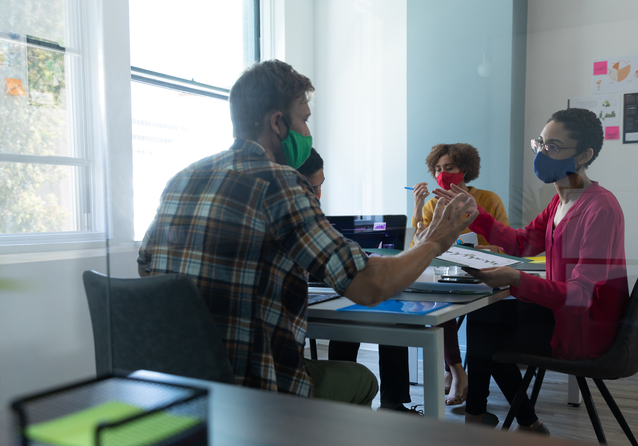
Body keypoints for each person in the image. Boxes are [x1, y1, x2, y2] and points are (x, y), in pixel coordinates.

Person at [137, 60, 479, 407]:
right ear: (277, 122)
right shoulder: (281, 182)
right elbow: (369, 285)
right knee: (361, 379)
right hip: (256, 388)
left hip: (177, 388)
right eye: (304, 118)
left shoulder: (183, 178)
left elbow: (146, 268)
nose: (307, 131)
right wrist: (434, 241)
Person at [439, 108, 628, 433]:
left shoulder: (600, 209)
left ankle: (483, 423)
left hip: (585, 331)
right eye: (539, 143)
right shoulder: (561, 201)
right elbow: (523, 243)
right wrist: (478, 216)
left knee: (487, 329)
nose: (542, 153)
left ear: (584, 155)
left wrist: (516, 279)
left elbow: (582, 297)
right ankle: (515, 421)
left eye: (553, 147)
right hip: (564, 317)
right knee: (484, 320)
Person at [297, 149, 418, 414]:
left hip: (211, 372)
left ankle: (390, 403)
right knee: (380, 315)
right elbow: (369, 283)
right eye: (314, 188)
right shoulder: (302, 220)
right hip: (275, 378)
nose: (318, 196)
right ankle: (386, 407)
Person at [410, 143, 510, 405]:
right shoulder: (433, 205)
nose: (442, 174)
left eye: (449, 168)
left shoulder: (489, 199)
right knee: (436, 303)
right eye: (437, 169)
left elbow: (507, 246)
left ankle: (457, 376)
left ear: (464, 170)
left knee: (480, 319)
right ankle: (456, 371)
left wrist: (477, 249)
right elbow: (416, 248)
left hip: (485, 276)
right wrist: (418, 209)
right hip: (447, 277)